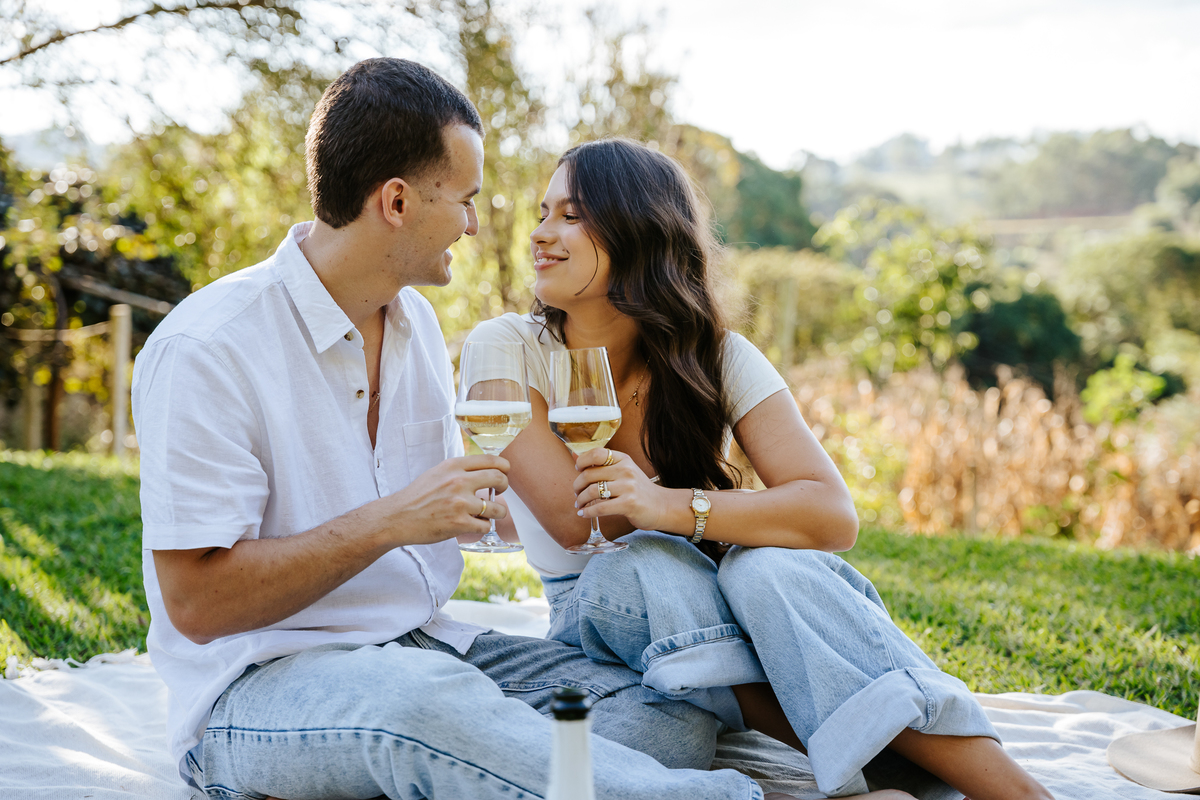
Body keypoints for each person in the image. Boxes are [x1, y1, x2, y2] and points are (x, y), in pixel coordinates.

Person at [132, 58, 802, 800]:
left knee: (660, 719)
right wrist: (395, 520)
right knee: (424, 711)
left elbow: (453, 504)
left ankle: (446, 774)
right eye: (466, 200)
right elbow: (196, 604)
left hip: (428, 647)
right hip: (261, 686)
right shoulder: (209, 347)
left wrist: (545, 506)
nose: (476, 224)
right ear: (395, 201)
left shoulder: (414, 322)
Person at [466, 138, 1055, 800]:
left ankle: (1019, 794)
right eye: (543, 213)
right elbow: (577, 524)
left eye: (570, 215)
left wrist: (668, 506)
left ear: (638, 231)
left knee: (769, 568)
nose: (540, 234)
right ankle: (907, 769)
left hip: (723, 614)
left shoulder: (715, 357)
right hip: (596, 612)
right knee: (645, 565)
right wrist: (674, 520)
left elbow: (831, 515)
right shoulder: (506, 347)